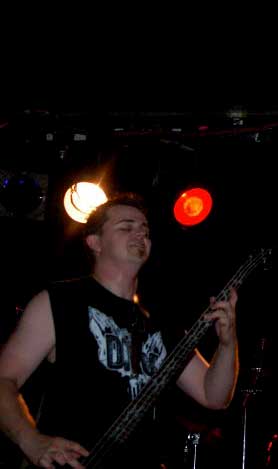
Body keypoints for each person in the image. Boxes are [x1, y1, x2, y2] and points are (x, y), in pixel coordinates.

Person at [0, 193, 240, 468]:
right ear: (95, 242)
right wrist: (31, 440)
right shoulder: (61, 301)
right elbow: (4, 378)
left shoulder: (161, 323)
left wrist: (227, 343)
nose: (140, 234)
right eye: (127, 227)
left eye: (145, 230)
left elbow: (213, 395)